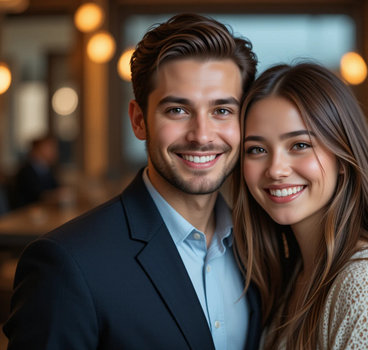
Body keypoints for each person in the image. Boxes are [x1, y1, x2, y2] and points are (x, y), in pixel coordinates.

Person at [3, 14, 260, 350]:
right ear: (139, 121)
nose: (202, 135)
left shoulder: (259, 244)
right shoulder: (66, 264)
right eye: (177, 110)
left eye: (222, 111)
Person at [232, 63, 368, 349]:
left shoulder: (366, 283)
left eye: (300, 145)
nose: (276, 169)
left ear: (343, 158)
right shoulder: (297, 270)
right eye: (257, 149)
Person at [10, 135, 59, 209]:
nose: (53, 151)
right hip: (26, 212)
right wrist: (55, 195)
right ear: (36, 150)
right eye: (48, 148)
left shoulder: (47, 168)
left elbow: (56, 188)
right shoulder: (26, 171)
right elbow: (37, 195)